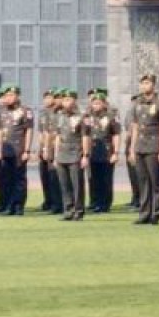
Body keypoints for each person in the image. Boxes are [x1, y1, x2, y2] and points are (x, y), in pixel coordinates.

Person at [129, 74, 159, 224]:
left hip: (154, 146)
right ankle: (144, 212)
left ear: (153, 85)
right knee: (143, 181)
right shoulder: (137, 104)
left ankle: (156, 213)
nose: (144, 86)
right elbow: (134, 128)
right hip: (140, 145)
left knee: (156, 182)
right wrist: (132, 149)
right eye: (142, 83)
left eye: (147, 83)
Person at [0, 86, 33, 215]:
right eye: (6, 95)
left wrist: (27, 150)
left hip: (18, 149)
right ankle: (9, 205)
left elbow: (29, 131)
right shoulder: (1, 112)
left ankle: (18, 205)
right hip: (5, 150)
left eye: (11, 95)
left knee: (19, 178)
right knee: (6, 178)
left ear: (17, 96)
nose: (8, 98)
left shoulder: (25, 111)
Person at [50, 90, 90, 220]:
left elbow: (85, 137)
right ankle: (68, 209)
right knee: (64, 184)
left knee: (77, 184)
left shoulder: (82, 116)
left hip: (75, 153)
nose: (65, 102)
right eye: (64, 99)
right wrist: (55, 155)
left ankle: (78, 210)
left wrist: (85, 155)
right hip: (62, 153)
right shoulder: (59, 116)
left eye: (68, 99)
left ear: (74, 100)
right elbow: (57, 137)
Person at [85, 92, 120, 213]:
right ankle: (95, 202)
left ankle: (105, 204)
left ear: (104, 104)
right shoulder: (88, 117)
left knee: (106, 179)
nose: (96, 105)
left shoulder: (110, 116)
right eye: (94, 103)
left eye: (98, 103)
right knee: (93, 179)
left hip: (106, 151)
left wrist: (116, 152)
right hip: (93, 151)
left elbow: (116, 134)